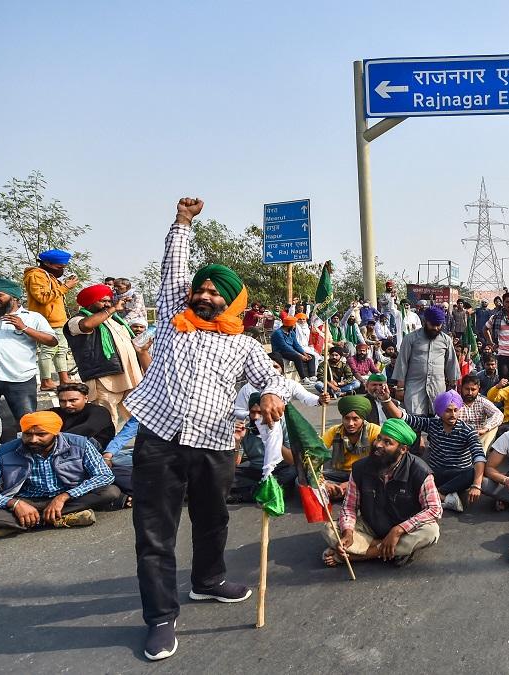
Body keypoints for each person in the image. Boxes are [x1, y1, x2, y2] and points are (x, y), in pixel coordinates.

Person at [124, 198, 292, 661]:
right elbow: (175, 268)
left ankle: (208, 581)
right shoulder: (172, 321)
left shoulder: (244, 344)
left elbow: (274, 378)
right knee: (154, 533)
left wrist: (272, 395)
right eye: (201, 289)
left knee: (213, 519)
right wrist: (182, 223)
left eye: (217, 293)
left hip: (216, 446)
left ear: (234, 301)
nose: (205, 296)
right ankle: (160, 618)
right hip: (158, 440)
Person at [0, 410, 124, 537]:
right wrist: (14, 503)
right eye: (27, 434)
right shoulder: (6, 451)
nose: (33, 439)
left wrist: (65, 496)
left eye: (41, 434)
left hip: (68, 499)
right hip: (26, 501)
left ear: (55, 433)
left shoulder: (80, 444)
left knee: (110, 491)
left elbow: (104, 475)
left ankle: (20, 523)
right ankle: (57, 519)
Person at [323, 418, 441, 569]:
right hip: (371, 527)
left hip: (404, 530)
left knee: (431, 532)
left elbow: (434, 509)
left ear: (403, 449)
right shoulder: (360, 468)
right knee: (330, 529)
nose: (378, 444)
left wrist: (398, 530)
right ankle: (389, 549)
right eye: (379, 438)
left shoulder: (420, 472)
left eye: (387, 442)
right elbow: (349, 507)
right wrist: (348, 533)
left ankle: (357, 556)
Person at [0, 278, 58, 462]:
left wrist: (24, 328)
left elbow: (52, 340)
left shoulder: (32, 317)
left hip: (19, 378)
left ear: (15, 298)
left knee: (28, 423)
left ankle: (29, 463)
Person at [378, 389, 485, 514]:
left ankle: (438, 494)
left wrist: (477, 485)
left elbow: (479, 456)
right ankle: (445, 497)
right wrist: (386, 399)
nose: (453, 414)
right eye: (448, 410)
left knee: (472, 473)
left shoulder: (468, 431)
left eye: (456, 410)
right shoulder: (432, 424)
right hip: (435, 471)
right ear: (439, 412)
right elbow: (404, 418)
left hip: (458, 474)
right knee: (415, 468)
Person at [64, 283, 146, 428]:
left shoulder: (115, 321)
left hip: (129, 377)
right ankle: (105, 450)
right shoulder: (76, 321)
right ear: (90, 302)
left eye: (109, 301)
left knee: (137, 418)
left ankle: (135, 449)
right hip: (104, 378)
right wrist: (113, 308)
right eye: (103, 301)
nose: (107, 304)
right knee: (107, 419)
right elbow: (87, 325)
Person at [23, 249, 78, 391]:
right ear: (47, 263)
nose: (62, 270)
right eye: (59, 267)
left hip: (59, 320)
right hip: (47, 321)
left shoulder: (50, 276)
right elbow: (43, 297)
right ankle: (46, 381)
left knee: (61, 350)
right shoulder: (36, 275)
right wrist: (65, 287)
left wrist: (63, 286)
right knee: (48, 351)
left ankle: (64, 379)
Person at [229, 395, 296, 503]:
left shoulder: (281, 425)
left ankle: (251, 493)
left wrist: (271, 440)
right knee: (226, 476)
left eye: (260, 412)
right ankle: (266, 491)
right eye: (252, 412)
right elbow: (235, 464)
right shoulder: (245, 430)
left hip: (279, 470)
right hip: (257, 471)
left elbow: (292, 460)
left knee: (294, 471)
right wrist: (237, 441)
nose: (255, 417)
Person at [395, 304, 459, 416]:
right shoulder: (410, 338)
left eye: (438, 325)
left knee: (437, 419)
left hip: (437, 387)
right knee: (414, 421)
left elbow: (451, 364)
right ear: (425, 321)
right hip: (414, 387)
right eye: (432, 325)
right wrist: (400, 388)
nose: (435, 328)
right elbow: (402, 363)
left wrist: (453, 387)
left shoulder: (446, 340)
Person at [319, 395, 383, 493]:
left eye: (355, 419)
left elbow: (382, 462)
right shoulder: (334, 431)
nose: (350, 423)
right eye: (346, 418)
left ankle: (342, 491)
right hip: (340, 473)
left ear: (363, 418)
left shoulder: (375, 431)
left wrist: (351, 483)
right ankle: (336, 491)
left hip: (364, 473)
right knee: (302, 479)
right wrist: (324, 484)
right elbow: (316, 453)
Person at [54, 383, 116, 452]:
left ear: (86, 398)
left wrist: (52, 439)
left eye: (73, 400)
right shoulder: (55, 412)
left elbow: (87, 429)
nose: (67, 405)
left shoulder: (99, 411)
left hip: (94, 449)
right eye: (62, 401)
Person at [453, 373, 504, 454]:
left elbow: (499, 414)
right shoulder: (454, 401)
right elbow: (439, 417)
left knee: (493, 427)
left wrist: (485, 429)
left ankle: (480, 456)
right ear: (461, 388)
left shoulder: (482, 401)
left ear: (478, 389)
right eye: (467, 389)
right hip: (458, 438)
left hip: (480, 438)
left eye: (473, 390)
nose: (469, 393)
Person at [269, 315, 314, 381]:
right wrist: (300, 355)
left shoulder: (292, 332)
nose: (295, 326)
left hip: (291, 350)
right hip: (281, 352)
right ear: (289, 325)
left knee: (311, 356)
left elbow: (296, 345)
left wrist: (304, 354)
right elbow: (284, 347)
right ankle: (303, 378)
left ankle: (312, 376)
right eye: (294, 325)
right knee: (297, 357)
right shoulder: (278, 333)